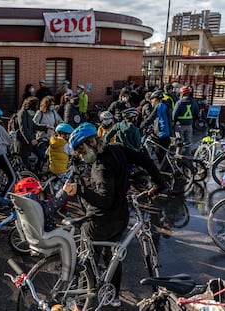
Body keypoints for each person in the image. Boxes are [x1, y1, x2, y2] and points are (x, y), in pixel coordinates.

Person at [68, 123, 165, 308]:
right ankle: (114, 296)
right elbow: (145, 159)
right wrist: (159, 184)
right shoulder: (116, 148)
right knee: (114, 256)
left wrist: (80, 190)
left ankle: (81, 303)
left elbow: (105, 200)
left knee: (87, 259)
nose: (82, 156)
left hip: (99, 222)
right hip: (120, 218)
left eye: (82, 151)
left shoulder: (101, 167)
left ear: (90, 143)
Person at [14, 96, 49, 170]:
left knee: (42, 156)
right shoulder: (22, 113)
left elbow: (33, 125)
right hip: (24, 143)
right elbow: (23, 129)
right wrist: (31, 139)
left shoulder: (28, 113)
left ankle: (36, 171)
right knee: (26, 165)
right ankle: (30, 175)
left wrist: (45, 127)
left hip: (30, 141)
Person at [140, 90, 172, 163]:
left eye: (152, 99)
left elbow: (151, 118)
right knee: (162, 153)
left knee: (160, 153)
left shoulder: (160, 106)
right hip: (167, 132)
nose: (152, 102)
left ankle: (166, 171)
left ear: (157, 99)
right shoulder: (166, 105)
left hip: (163, 134)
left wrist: (141, 127)